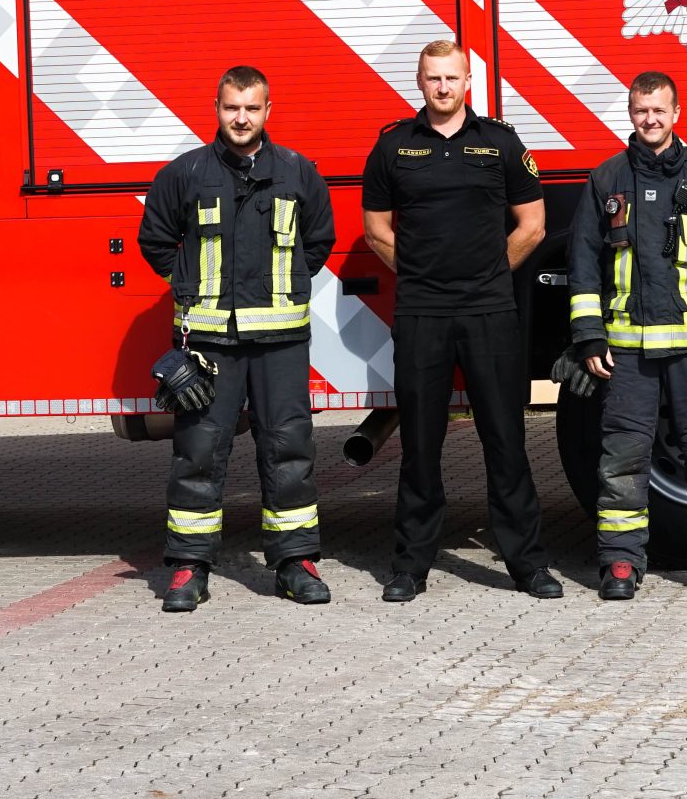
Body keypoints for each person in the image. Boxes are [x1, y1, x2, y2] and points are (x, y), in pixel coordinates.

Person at [361, 40, 558, 602]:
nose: (442, 87)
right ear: (419, 82)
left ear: (468, 81)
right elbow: (376, 230)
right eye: (433, 78)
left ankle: (528, 564)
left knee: (506, 440)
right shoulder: (393, 146)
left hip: (488, 310)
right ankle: (410, 566)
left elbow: (533, 225)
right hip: (421, 312)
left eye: (452, 77)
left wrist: (488, 275)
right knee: (420, 445)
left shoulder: (500, 142)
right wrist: (421, 275)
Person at [137, 65, 336, 612]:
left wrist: (285, 287)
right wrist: (188, 285)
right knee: (198, 452)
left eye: (251, 108)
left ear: (268, 111)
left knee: (289, 449)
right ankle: (189, 567)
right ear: (217, 109)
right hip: (210, 343)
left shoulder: (298, 172)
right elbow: (155, 239)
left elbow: (319, 241)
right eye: (232, 108)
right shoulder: (186, 173)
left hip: (280, 342)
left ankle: (295, 563)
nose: (241, 118)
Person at [566, 70, 687, 601]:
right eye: (640, 110)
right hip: (626, 354)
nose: (649, 119)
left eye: (658, 110)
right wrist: (589, 336)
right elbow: (583, 262)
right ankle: (620, 563)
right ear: (630, 114)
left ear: (676, 114)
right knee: (622, 460)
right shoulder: (607, 180)